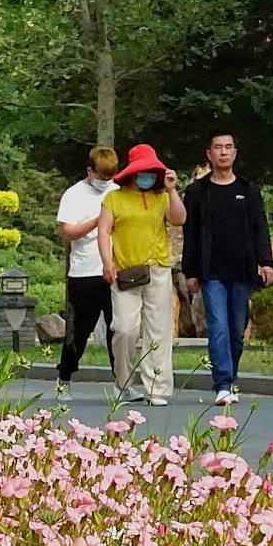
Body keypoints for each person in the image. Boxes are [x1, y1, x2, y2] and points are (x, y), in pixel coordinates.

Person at [181, 128, 273, 406]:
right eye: (217, 147)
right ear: (209, 154)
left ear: (235, 152)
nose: (223, 152)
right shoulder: (198, 192)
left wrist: (266, 262)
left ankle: (231, 378)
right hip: (211, 272)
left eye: (228, 147)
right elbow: (191, 233)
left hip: (243, 270)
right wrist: (191, 272)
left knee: (236, 329)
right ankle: (222, 383)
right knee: (218, 326)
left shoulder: (248, 190)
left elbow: (261, 228)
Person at [97, 144, 186, 406]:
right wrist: (107, 261)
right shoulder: (114, 198)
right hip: (126, 271)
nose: (147, 176)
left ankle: (156, 388)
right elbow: (104, 231)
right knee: (125, 328)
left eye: (151, 172)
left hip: (158, 268)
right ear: (132, 173)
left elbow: (179, 218)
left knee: (158, 330)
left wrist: (171, 189)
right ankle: (122, 382)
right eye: (142, 171)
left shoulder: (161, 196)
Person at [54, 146, 119, 396]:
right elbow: (67, 232)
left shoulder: (118, 191)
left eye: (109, 176)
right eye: (101, 176)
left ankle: (121, 383)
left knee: (119, 329)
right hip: (84, 273)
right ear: (89, 171)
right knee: (78, 330)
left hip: (115, 272)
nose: (105, 181)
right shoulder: (74, 194)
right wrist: (98, 220)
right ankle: (65, 376)